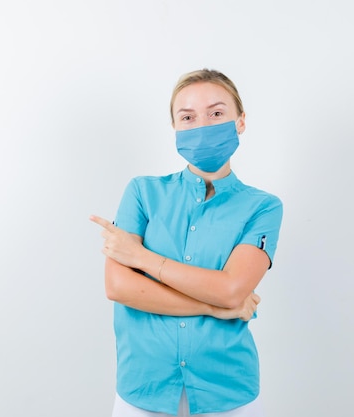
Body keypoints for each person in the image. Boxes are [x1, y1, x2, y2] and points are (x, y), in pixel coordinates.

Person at [90, 69, 283, 417]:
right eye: (188, 117)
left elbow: (231, 291)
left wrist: (141, 258)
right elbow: (118, 286)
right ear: (175, 128)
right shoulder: (142, 193)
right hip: (143, 391)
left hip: (228, 393)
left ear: (240, 122)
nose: (203, 126)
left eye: (217, 113)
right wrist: (211, 307)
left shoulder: (263, 207)